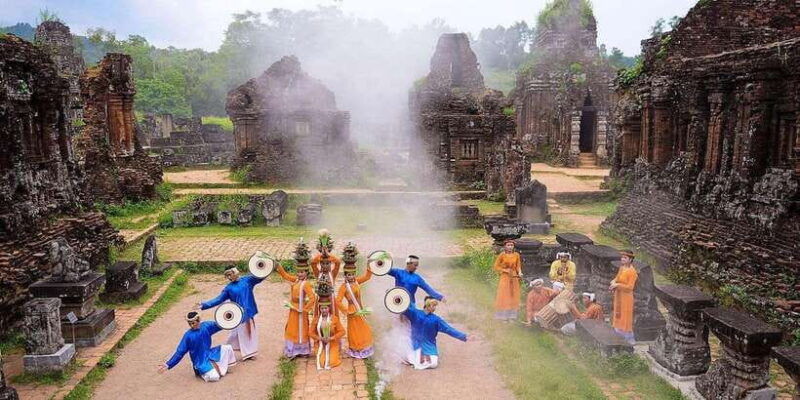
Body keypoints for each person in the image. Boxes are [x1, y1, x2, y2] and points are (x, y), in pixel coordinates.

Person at [197, 265, 265, 360]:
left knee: (245, 331)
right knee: (241, 332)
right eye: (227, 275)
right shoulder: (228, 288)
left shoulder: (247, 280)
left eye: (230, 274)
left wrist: (266, 267)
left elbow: (260, 276)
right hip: (237, 313)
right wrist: (204, 305)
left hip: (248, 311)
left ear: (235, 272)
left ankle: (241, 350)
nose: (229, 277)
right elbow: (219, 299)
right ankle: (242, 351)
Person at [158, 312, 237, 382]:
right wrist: (168, 364)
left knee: (228, 348)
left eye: (193, 323)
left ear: (198, 320)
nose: (191, 325)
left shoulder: (206, 326)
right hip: (200, 361)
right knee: (215, 377)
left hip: (210, 353)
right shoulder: (188, 336)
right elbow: (179, 352)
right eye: (189, 324)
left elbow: (219, 325)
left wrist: (230, 318)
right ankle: (200, 372)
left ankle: (220, 368)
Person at [402, 297, 468, 370]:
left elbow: (449, 329)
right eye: (433, 305)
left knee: (434, 363)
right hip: (415, 345)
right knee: (406, 349)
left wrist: (464, 336)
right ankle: (415, 360)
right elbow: (402, 308)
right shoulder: (415, 313)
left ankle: (416, 362)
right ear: (427, 305)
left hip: (429, 347)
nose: (434, 308)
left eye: (435, 306)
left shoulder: (436, 319)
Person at [276, 243, 316, 358]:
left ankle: (303, 350)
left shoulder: (306, 284)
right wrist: (278, 266)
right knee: (292, 328)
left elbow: (312, 298)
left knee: (301, 328)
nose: (299, 274)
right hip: (293, 309)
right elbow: (285, 276)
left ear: (306, 273)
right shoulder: (296, 280)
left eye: (302, 272)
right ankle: (292, 349)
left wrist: (305, 309)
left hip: (301, 310)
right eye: (298, 272)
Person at [336, 243, 374, 359]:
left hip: (360, 309)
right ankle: (356, 348)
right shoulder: (344, 287)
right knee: (355, 331)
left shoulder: (356, 281)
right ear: (345, 275)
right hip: (352, 312)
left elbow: (367, 277)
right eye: (348, 275)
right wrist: (346, 311)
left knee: (365, 328)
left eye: (352, 274)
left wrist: (369, 263)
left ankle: (364, 347)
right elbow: (338, 301)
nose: (351, 276)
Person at [309, 278, 345, 370]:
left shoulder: (334, 319)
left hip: (332, 343)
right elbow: (310, 333)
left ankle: (334, 354)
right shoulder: (316, 319)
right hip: (320, 343)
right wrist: (319, 338)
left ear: (329, 308)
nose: (324, 310)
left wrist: (332, 338)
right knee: (321, 362)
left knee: (331, 362)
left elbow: (342, 332)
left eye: (326, 308)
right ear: (319, 309)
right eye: (322, 308)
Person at [611, 250, 638, 344]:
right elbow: (617, 278)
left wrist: (617, 285)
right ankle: (617, 334)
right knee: (618, 314)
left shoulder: (632, 272)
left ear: (630, 260)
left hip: (626, 297)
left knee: (625, 316)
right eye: (622, 257)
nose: (622, 259)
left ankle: (628, 338)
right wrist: (613, 282)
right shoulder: (622, 268)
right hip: (619, 295)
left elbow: (630, 287)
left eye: (625, 258)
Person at [493, 239, 523, 322]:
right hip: (505, 277)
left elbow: (518, 266)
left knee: (514, 295)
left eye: (511, 245)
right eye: (508, 245)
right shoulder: (502, 255)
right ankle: (502, 316)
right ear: (505, 246)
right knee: (504, 295)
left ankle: (512, 316)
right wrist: (505, 270)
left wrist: (520, 272)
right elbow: (496, 267)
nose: (510, 247)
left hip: (514, 277)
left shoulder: (516, 255)